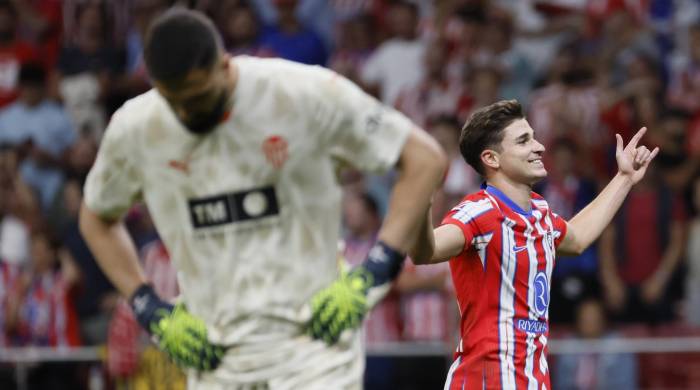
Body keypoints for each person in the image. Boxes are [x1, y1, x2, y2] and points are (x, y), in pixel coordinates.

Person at [79, 7, 446, 389]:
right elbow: (96, 218)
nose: (188, 111)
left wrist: (374, 273)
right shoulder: (137, 128)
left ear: (224, 65)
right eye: (176, 102)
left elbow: (423, 160)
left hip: (315, 356)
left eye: (199, 96)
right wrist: (149, 307)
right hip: (216, 363)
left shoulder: (303, 93)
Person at [411, 100, 658, 389]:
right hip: (487, 379)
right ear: (492, 159)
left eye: (534, 137)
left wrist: (624, 178)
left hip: (533, 379)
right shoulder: (479, 212)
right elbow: (425, 252)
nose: (539, 147)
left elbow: (577, 238)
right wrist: (419, 200)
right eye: (523, 141)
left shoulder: (540, 212)